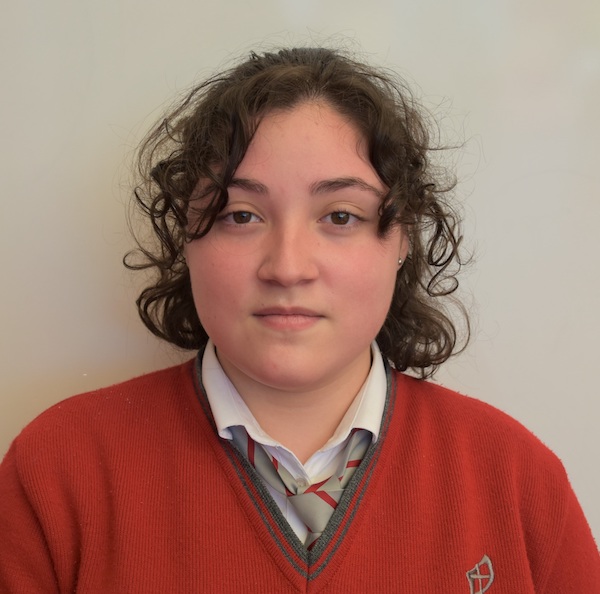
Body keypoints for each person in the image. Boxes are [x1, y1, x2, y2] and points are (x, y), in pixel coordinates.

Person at [0, 47, 598, 593]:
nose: (287, 267)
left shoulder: (517, 480)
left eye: (340, 216)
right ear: (186, 236)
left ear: (402, 239)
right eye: (240, 215)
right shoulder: (56, 471)